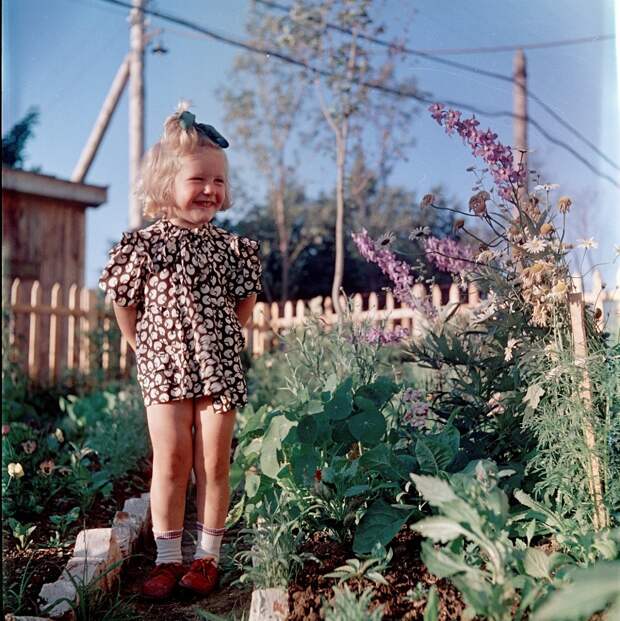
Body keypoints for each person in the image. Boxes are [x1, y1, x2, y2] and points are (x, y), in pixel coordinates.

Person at [99, 102, 262, 600]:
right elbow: (123, 303)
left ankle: (207, 556)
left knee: (213, 463)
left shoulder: (234, 249)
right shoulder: (142, 247)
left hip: (219, 370)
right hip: (164, 368)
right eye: (198, 179)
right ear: (165, 183)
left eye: (218, 181)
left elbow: (245, 305)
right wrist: (143, 346)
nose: (211, 190)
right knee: (170, 461)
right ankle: (169, 559)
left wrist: (218, 343)